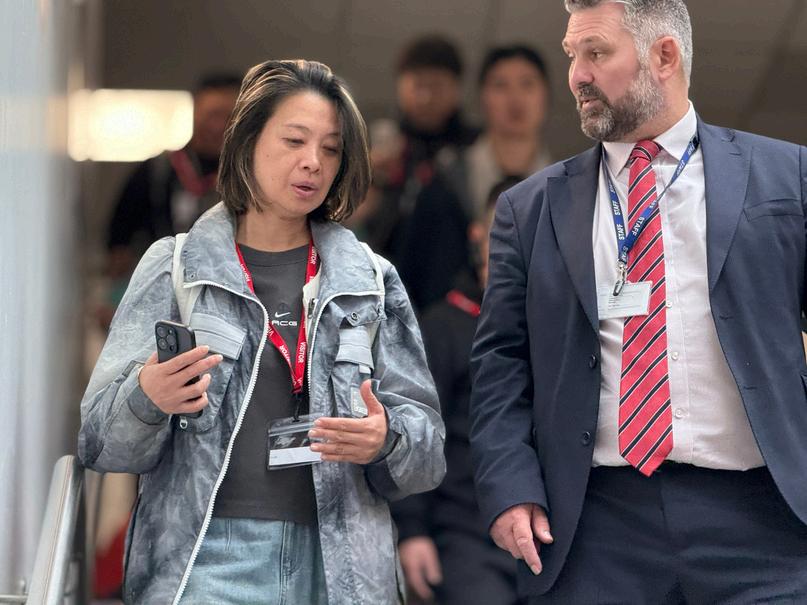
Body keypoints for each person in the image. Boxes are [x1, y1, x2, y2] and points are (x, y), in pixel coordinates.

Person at [469, 1, 807, 603]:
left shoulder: (788, 176)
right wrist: (510, 485)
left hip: (765, 519)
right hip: (597, 525)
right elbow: (500, 363)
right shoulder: (529, 209)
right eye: (573, 56)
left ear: (664, 56)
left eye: (596, 53)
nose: (576, 76)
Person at [78, 59, 446, 604]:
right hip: (205, 563)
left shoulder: (371, 281)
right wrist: (146, 397)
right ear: (247, 142)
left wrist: (386, 437)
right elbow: (97, 441)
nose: (313, 162)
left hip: (340, 571)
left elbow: (429, 454)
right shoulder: (177, 268)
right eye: (294, 140)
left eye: (331, 149)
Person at [393, 177, 523, 605]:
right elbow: (414, 432)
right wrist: (412, 530)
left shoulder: (562, 321)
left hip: (548, 534)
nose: (516, 241)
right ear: (477, 234)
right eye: (504, 227)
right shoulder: (442, 324)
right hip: (465, 533)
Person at [350, 35, 478, 311]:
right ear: (400, 85)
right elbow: (346, 217)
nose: (426, 97)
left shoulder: (476, 149)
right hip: (379, 287)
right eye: (418, 85)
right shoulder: (375, 144)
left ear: (456, 89)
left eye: (437, 86)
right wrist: (371, 176)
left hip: (456, 294)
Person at [444, 45, 552, 222]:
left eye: (527, 84)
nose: (515, 99)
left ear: (546, 96)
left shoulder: (569, 186)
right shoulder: (449, 179)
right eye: (500, 85)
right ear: (482, 98)